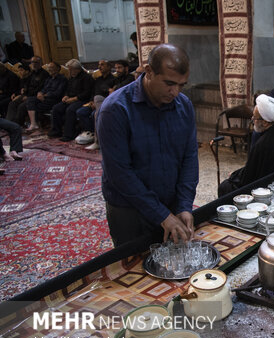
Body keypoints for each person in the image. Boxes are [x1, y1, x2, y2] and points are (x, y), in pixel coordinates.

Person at [98, 43, 198, 247]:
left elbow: (189, 158)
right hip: (129, 210)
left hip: (170, 204)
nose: (175, 92)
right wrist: (162, 215)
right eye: (169, 83)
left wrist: (185, 205)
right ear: (149, 71)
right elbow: (120, 173)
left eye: (181, 85)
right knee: (132, 272)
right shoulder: (115, 110)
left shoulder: (183, 106)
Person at [218, 94, 274, 197]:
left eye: (255, 117)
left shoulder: (261, 144)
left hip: (260, 189)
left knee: (224, 186)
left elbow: (246, 179)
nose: (252, 119)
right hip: (273, 180)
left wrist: (234, 176)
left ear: (265, 122)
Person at [48, 59, 93, 142]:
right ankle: (56, 131)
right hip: (71, 99)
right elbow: (68, 90)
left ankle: (69, 134)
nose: (69, 71)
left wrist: (74, 99)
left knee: (70, 110)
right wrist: (66, 96)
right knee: (56, 108)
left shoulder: (86, 77)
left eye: (71, 69)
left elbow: (87, 93)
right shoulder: (72, 78)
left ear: (77, 69)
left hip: (82, 100)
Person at [75, 60, 116, 145]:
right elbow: (93, 92)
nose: (99, 67)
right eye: (99, 65)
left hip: (103, 103)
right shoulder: (98, 80)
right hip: (93, 102)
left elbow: (111, 95)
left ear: (109, 67)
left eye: (102, 65)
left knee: (94, 114)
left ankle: (99, 136)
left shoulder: (113, 80)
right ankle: (90, 132)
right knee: (81, 112)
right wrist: (91, 101)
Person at [6, 56, 49, 126]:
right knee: (12, 103)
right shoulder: (32, 73)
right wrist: (24, 90)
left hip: (36, 96)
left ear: (41, 63)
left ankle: (17, 125)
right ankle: (9, 123)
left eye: (36, 62)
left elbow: (41, 88)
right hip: (27, 95)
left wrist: (28, 96)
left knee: (21, 106)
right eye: (32, 62)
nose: (34, 64)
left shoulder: (44, 74)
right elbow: (27, 84)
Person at [25, 61, 67, 132]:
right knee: (30, 100)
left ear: (58, 69)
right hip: (44, 98)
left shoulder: (62, 79)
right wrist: (40, 93)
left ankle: (35, 125)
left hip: (54, 100)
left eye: (52, 68)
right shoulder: (49, 79)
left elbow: (58, 93)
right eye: (49, 68)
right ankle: (34, 124)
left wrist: (45, 95)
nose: (49, 69)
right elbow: (44, 88)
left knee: (34, 106)